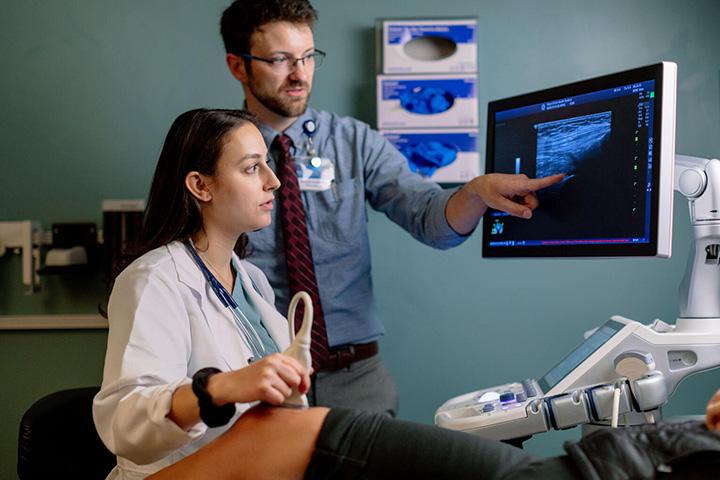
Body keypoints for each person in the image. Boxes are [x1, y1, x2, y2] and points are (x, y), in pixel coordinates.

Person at [94, 108, 719, 480]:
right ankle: (623, 461)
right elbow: (122, 424)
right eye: (251, 167)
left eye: (270, 163)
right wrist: (221, 388)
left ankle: (624, 458)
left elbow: (426, 210)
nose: (275, 180)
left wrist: (473, 192)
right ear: (200, 185)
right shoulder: (154, 280)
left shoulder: (250, 281)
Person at [219, 0, 565, 416]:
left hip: (356, 379)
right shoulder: (212, 153)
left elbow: (427, 215)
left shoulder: (353, 141)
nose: (300, 74)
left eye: (308, 57)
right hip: (259, 376)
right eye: (280, 60)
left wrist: (473, 193)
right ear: (239, 67)